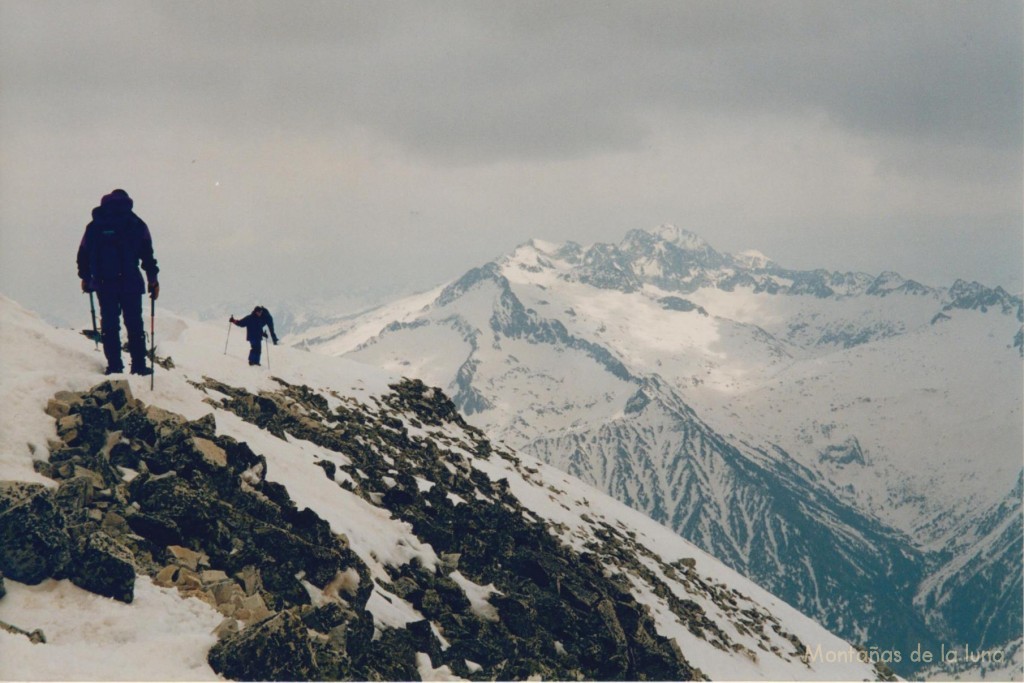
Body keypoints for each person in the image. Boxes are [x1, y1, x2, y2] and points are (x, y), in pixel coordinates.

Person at [77, 189, 159, 376]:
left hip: (104, 284)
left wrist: (86, 279)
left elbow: (83, 254)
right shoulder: (136, 224)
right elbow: (148, 256)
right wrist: (153, 281)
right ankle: (138, 366)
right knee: (134, 325)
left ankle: (114, 366)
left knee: (110, 326)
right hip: (130, 283)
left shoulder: (95, 226)